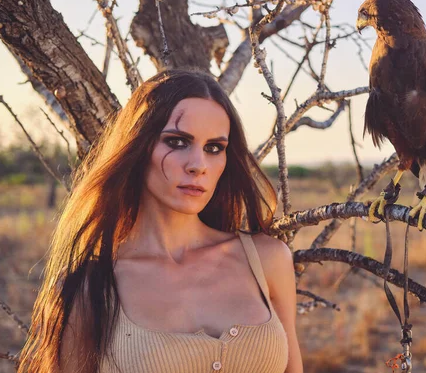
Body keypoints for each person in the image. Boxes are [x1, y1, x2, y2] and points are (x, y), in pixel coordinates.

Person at [17, 69, 303, 373]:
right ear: (139, 147)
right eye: (178, 142)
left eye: (214, 148)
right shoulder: (90, 284)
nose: (198, 165)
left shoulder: (266, 259)